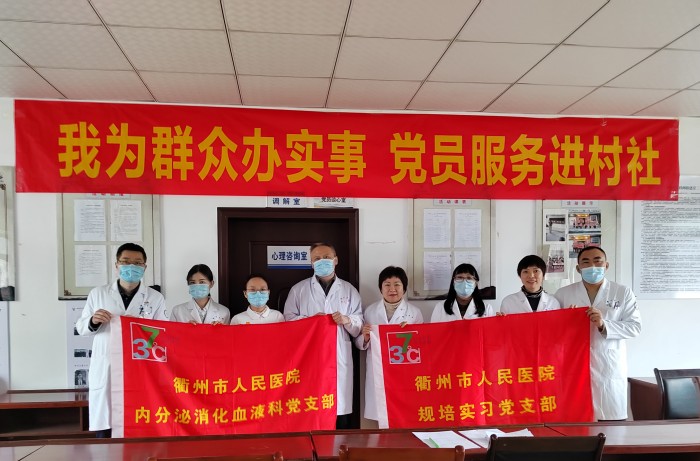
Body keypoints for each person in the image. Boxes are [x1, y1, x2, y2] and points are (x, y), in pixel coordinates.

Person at [75, 243, 168, 438]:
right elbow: (81, 328)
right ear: (117, 264)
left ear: (145, 267)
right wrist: (93, 321)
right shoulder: (98, 293)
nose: (131, 266)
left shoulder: (155, 298)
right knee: (106, 428)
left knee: (139, 424)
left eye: (137, 263)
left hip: (141, 366)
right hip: (107, 366)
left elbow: (164, 333)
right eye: (126, 261)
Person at [554, 246, 641, 421]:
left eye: (597, 261)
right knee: (576, 420)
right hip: (574, 363)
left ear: (606, 265)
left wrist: (603, 325)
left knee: (610, 422)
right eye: (586, 262)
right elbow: (553, 330)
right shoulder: (563, 294)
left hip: (608, 363)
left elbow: (634, 327)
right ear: (578, 268)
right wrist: (566, 321)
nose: (592, 266)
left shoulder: (622, 292)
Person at [283, 242, 362, 429]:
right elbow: (288, 322)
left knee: (338, 410)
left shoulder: (349, 290)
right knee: (311, 406)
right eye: (317, 258)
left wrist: (346, 320)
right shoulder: (298, 290)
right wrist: (310, 321)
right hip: (309, 357)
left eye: (326, 257)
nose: (322, 261)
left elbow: (359, 323)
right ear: (311, 263)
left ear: (336, 260)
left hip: (338, 356)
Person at [354, 266, 423, 422]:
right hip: (378, 369)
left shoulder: (414, 313)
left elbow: (422, 346)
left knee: (404, 415)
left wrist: (412, 333)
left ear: (404, 288)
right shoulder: (370, 311)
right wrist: (365, 337)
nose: (392, 289)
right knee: (382, 415)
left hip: (403, 370)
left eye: (397, 284)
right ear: (381, 288)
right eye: (387, 284)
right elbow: (359, 343)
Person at [430, 263, 495, 322]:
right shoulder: (440, 307)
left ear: (476, 283)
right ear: (453, 282)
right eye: (460, 277)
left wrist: (499, 322)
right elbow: (433, 330)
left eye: (469, 278)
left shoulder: (487, 309)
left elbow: (491, 331)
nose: (464, 282)